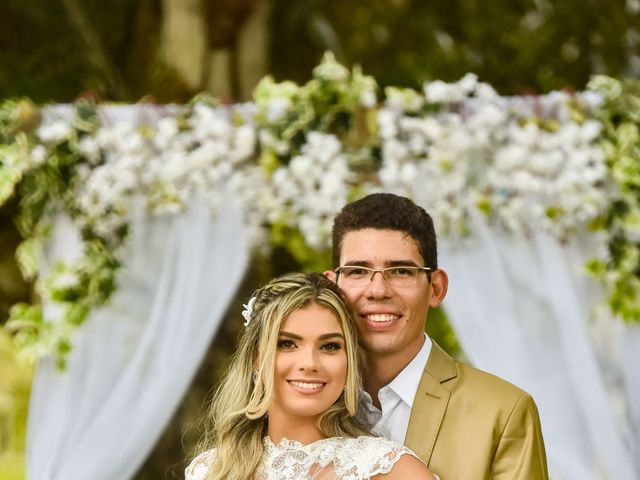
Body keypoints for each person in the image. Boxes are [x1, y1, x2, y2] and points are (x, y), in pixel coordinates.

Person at [324, 193, 549, 480]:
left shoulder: (503, 413)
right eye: (358, 271)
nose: (378, 290)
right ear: (332, 287)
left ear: (436, 288)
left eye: (401, 271)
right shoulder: (300, 401)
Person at [185, 272, 437, 480]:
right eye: (287, 344)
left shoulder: (390, 470)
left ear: (348, 362)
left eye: (329, 346)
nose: (309, 364)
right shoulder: (209, 471)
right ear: (255, 358)